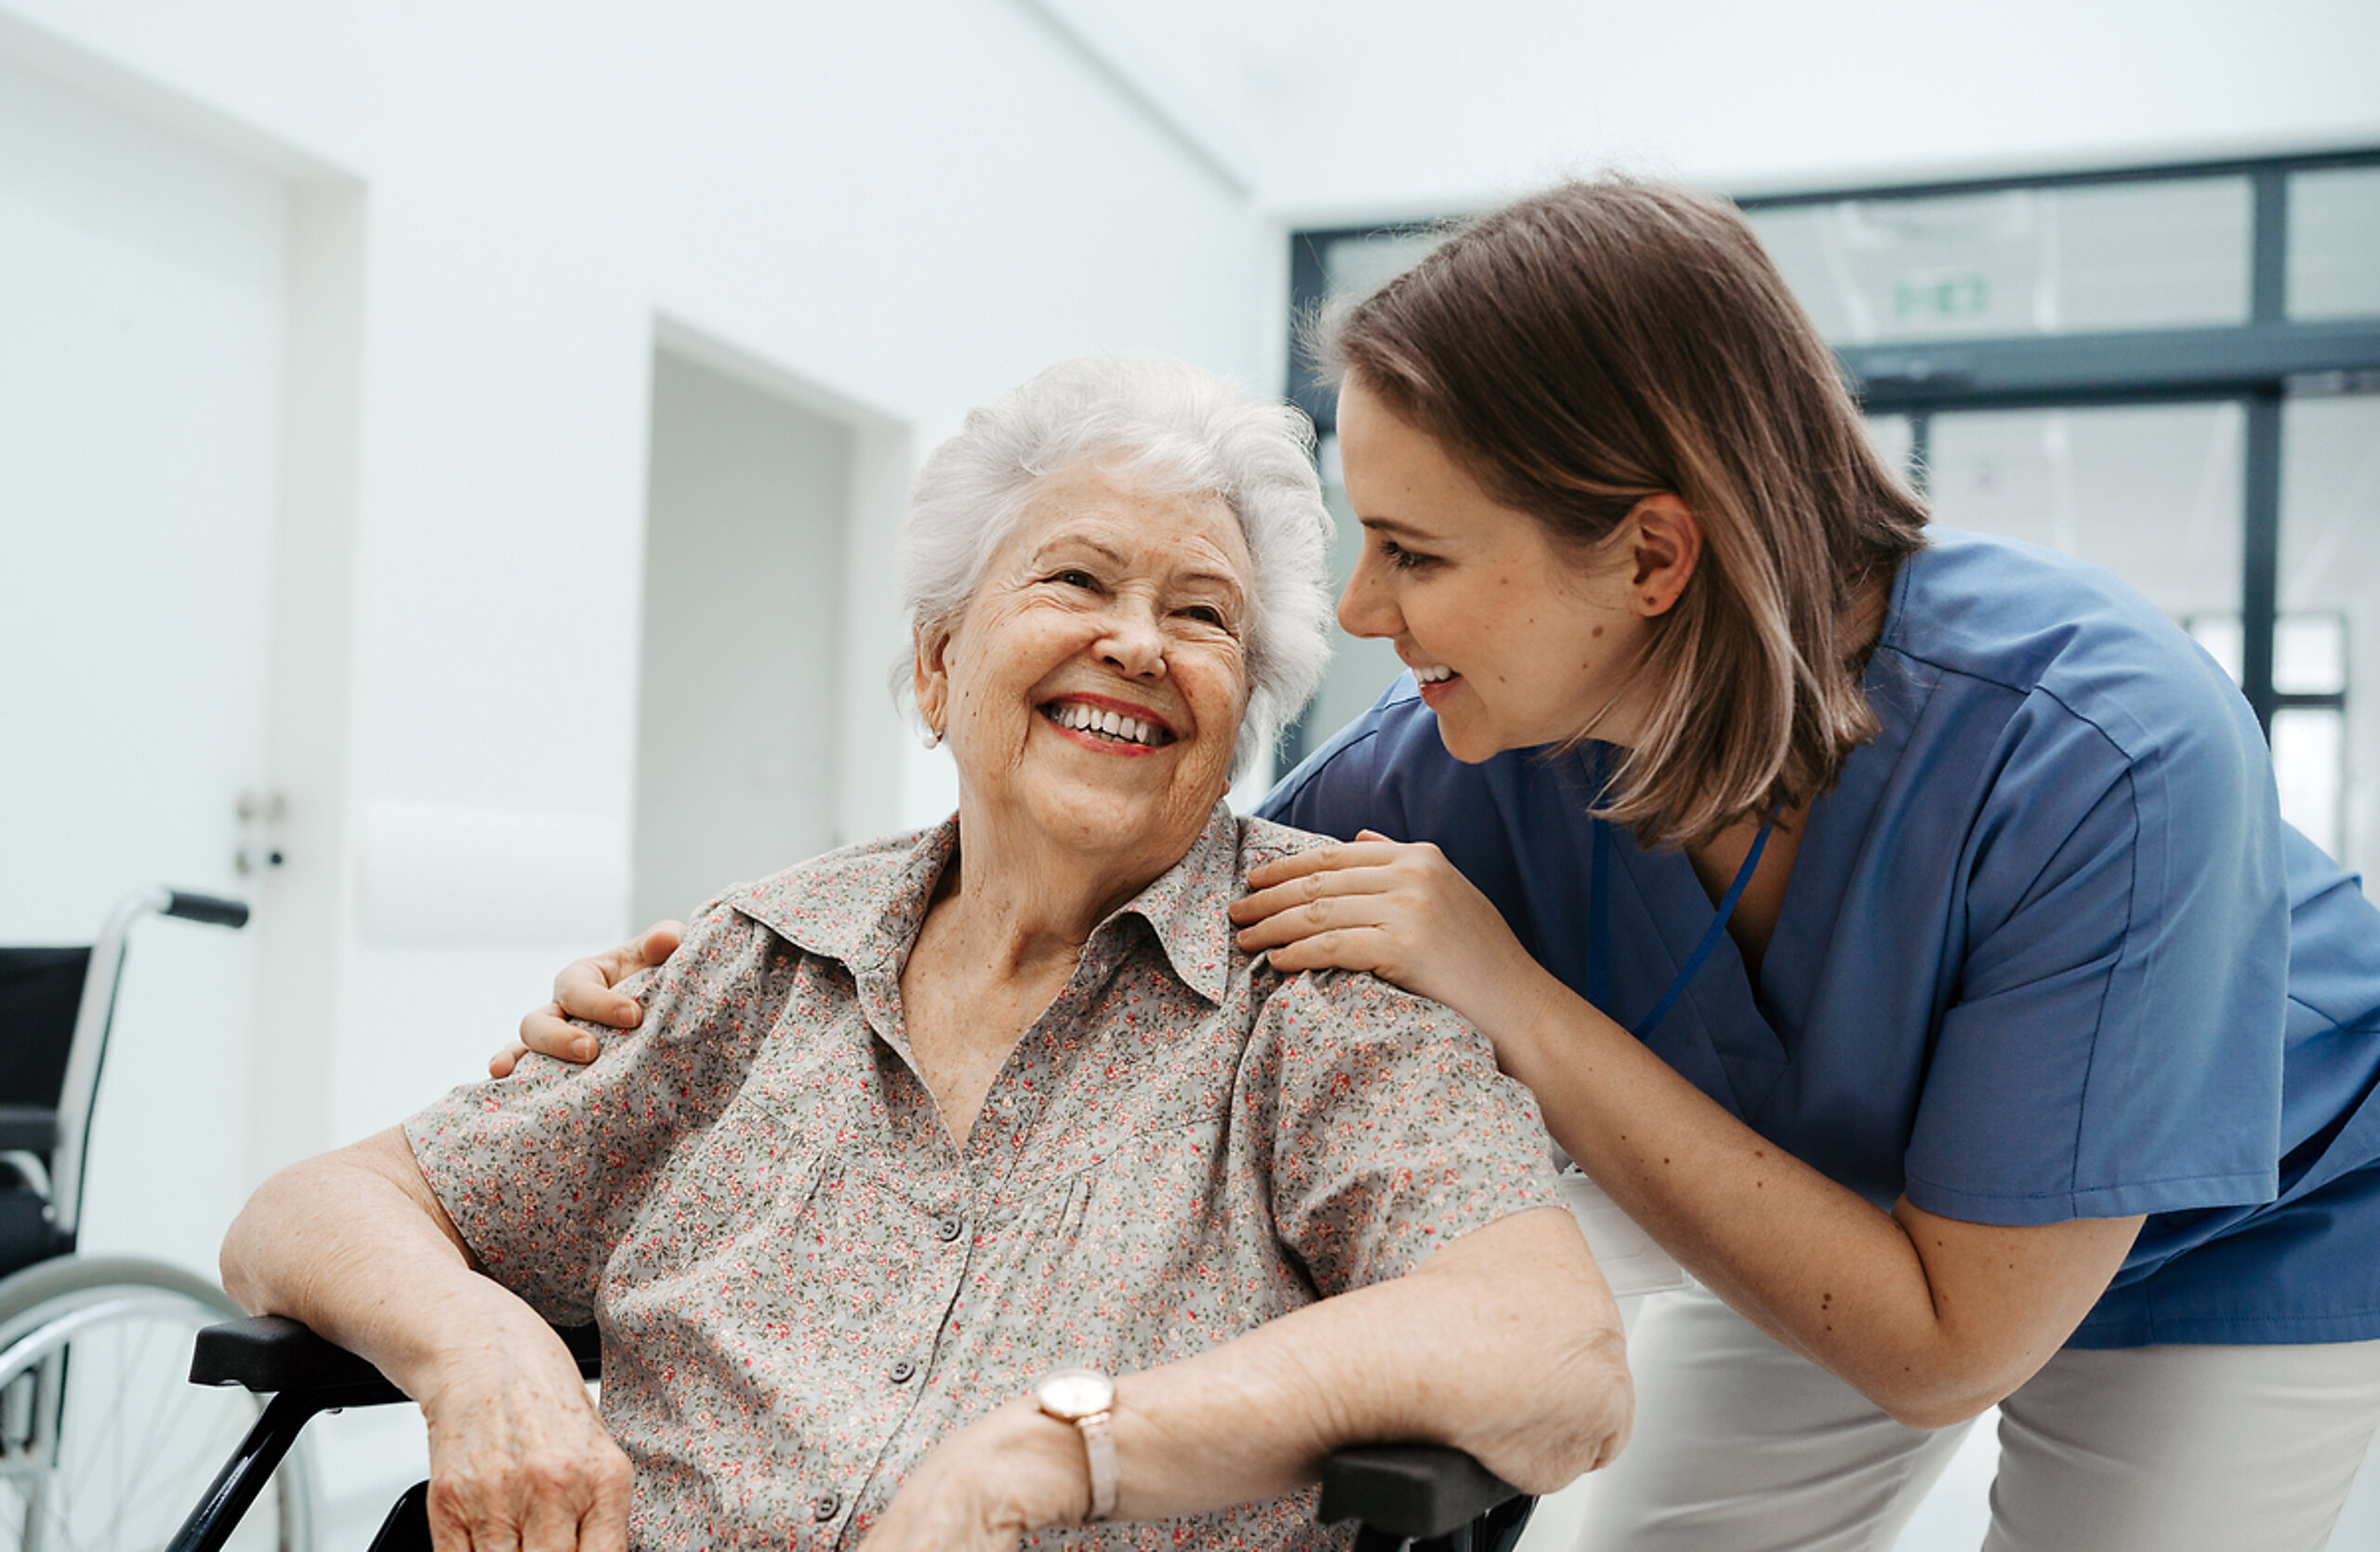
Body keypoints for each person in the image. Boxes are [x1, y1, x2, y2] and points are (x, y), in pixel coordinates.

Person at [521, 179, 2380, 1552]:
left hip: (2232, 1228)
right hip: (1831, 1211)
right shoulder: (1465, 746)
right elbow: (1139, 890)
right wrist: (729, 987)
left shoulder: (2098, 753)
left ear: (1647, 558)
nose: (1351, 607)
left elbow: (1943, 1344)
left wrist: (1512, 993)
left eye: (1412, 549)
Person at [222, 356, 1633, 1552]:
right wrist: (478, 1347)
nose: (1137, 643)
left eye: (1202, 614)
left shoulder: (1315, 983)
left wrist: (1063, 1447)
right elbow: (310, 1209)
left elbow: (1553, 1347)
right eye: (1076, 578)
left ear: (1244, 712)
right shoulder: (760, 961)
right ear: (939, 664)